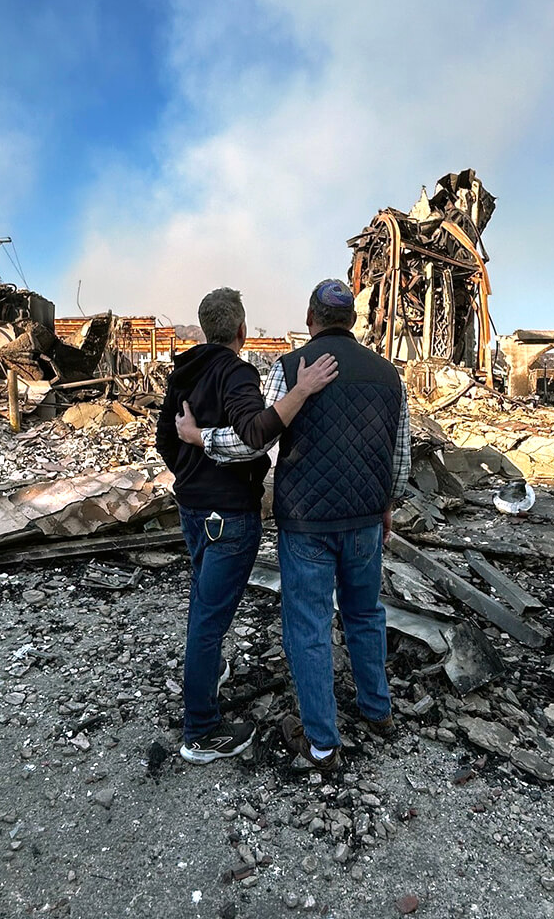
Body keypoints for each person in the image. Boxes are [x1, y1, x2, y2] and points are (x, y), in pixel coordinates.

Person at [177, 278, 410, 770]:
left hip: (306, 521)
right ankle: (377, 709)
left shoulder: (289, 368)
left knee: (308, 625)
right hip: (366, 519)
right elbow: (400, 456)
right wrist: (386, 503)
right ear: (350, 321)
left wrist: (200, 438)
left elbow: (255, 441)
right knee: (365, 613)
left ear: (310, 319)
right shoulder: (389, 375)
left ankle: (322, 744)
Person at [156, 287, 338, 764]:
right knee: (209, 621)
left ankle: (206, 677)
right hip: (229, 516)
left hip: (192, 508)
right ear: (241, 330)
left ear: (204, 328)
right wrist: (301, 391)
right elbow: (255, 436)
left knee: (202, 605)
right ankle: (200, 732)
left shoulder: (184, 371)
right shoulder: (236, 372)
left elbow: (165, 441)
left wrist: (192, 477)